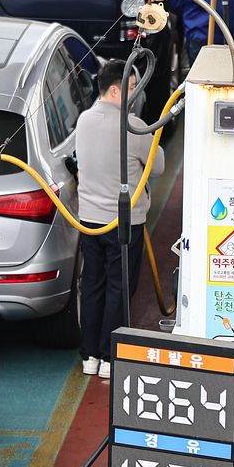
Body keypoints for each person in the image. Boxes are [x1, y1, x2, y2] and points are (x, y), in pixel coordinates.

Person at [74, 60, 166, 377]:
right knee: (119, 287)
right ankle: (109, 357)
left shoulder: (83, 121)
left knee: (92, 285)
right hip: (124, 223)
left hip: (89, 220)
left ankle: (89, 356)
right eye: (131, 88)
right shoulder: (134, 126)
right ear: (115, 90)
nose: (135, 93)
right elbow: (158, 167)